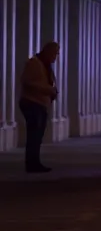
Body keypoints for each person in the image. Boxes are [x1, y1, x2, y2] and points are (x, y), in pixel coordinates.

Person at [19, 42, 60, 173]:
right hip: (32, 102)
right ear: (47, 52)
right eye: (54, 53)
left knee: (38, 136)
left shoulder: (47, 66)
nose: (56, 57)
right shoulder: (34, 63)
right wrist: (48, 89)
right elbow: (27, 82)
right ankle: (31, 164)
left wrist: (53, 91)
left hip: (41, 104)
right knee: (34, 135)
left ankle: (35, 162)